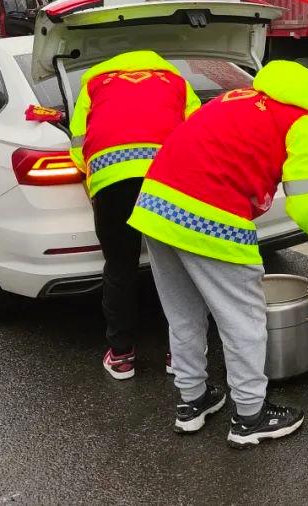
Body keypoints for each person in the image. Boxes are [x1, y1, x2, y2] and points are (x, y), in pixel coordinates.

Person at [128, 61, 308, 448]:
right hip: (210, 212)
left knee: (183, 314)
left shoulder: (246, 96)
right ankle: (249, 417)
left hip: (157, 204)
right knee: (244, 320)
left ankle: (192, 402)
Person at [69, 51, 200, 380]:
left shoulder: (95, 84)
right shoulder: (177, 82)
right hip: (166, 177)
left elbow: (78, 143)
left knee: (119, 267)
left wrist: (94, 177)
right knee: (175, 268)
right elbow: (198, 132)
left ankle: (121, 355)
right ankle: (179, 356)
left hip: (112, 178)